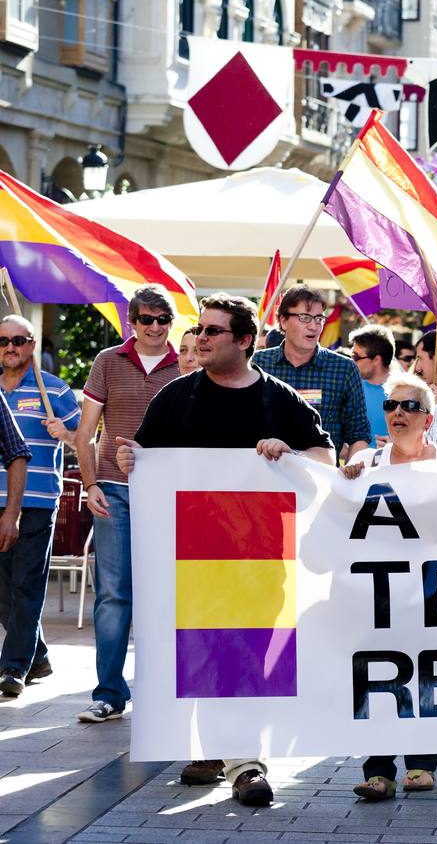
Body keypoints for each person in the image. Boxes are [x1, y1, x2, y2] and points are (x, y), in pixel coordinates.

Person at [120, 293, 334, 805]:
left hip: (261, 555)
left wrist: (289, 454)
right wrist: (132, 459)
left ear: (245, 341)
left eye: (215, 331)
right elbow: (146, 458)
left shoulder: (278, 398)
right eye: (200, 329)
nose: (201, 339)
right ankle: (213, 749)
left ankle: (247, 762)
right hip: (192, 550)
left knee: (248, 653)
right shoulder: (176, 397)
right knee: (202, 651)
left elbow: (322, 455)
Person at [74, 285, 181, 723]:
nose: (155, 327)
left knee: (168, 595)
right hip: (114, 489)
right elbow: (85, 433)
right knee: (114, 595)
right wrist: (90, 484)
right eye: (146, 319)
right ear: (132, 323)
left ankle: (162, 691)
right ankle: (110, 694)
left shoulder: (188, 364)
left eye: (162, 320)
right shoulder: (107, 361)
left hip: (170, 494)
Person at [341, 373, 437, 799]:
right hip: (379, 594)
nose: (398, 413)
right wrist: (342, 481)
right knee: (377, 675)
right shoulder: (367, 466)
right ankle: (378, 769)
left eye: (410, 407)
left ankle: (422, 764)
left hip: (433, 590)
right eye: (391, 406)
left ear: (429, 420)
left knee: (429, 675)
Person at [0, 317, 77, 696]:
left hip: (37, 498)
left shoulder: (55, 390)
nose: (10, 347)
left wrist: (66, 432)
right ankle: (39, 656)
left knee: (26, 585)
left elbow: (85, 439)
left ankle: (12, 668)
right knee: (4, 589)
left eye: (18, 340)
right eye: (3, 341)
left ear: (31, 345)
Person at [253, 285, 369, 462]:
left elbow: (358, 434)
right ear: (283, 321)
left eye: (319, 318)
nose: (314, 326)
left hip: (320, 478)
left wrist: (351, 473)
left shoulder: (344, 368)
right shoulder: (257, 364)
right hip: (265, 477)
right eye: (305, 318)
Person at [350, 325, 396, 442]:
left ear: (376, 360)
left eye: (356, 357)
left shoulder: (404, 392)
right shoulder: (350, 387)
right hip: (355, 460)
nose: (352, 362)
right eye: (352, 356)